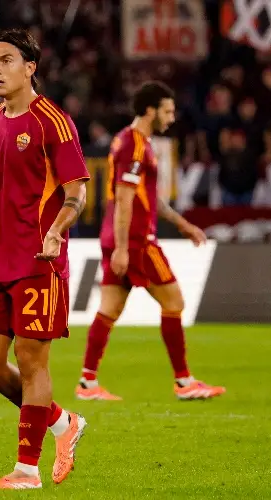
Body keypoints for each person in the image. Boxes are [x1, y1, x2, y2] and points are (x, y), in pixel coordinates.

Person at [0, 28, 89, 490]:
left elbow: (77, 192)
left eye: (6, 60)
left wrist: (56, 231)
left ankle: (27, 470)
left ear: (30, 67)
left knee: (32, 364)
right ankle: (62, 422)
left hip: (37, 261)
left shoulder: (53, 122)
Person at [76, 81, 225, 402]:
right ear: (149, 110)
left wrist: (182, 224)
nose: (171, 118)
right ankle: (184, 381)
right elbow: (125, 198)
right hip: (136, 240)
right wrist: (122, 248)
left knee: (109, 308)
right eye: (167, 111)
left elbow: (147, 197)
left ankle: (87, 382)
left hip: (117, 236)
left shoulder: (128, 141)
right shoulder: (135, 146)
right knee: (174, 302)